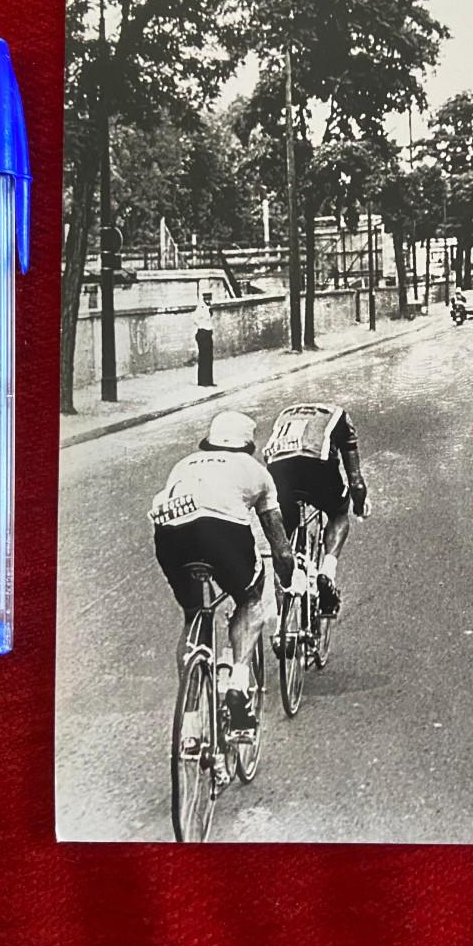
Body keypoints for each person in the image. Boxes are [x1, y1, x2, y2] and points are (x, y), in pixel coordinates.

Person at [149, 410, 295, 733]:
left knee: (194, 616)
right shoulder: (255, 471)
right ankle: (238, 685)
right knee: (251, 600)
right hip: (221, 530)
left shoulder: (184, 463)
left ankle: (188, 724)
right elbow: (280, 547)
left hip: (168, 531)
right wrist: (287, 580)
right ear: (247, 445)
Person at [264, 403, 370, 619]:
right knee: (338, 513)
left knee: (286, 524)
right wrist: (359, 507)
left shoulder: (284, 414)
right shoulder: (340, 417)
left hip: (277, 465)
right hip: (316, 466)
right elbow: (356, 483)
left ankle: (283, 616)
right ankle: (327, 572)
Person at [193, 294, 215, 387]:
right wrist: (201, 325)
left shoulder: (209, 308)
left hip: (208, 333)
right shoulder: (201, 308)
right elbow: (194, 318)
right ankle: (202, 381)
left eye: (209, 299)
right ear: (204, 299)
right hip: (203, 333)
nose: (208, 301)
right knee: (203, 357)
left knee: (209, 357)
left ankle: (209, 380)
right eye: (207, 299)